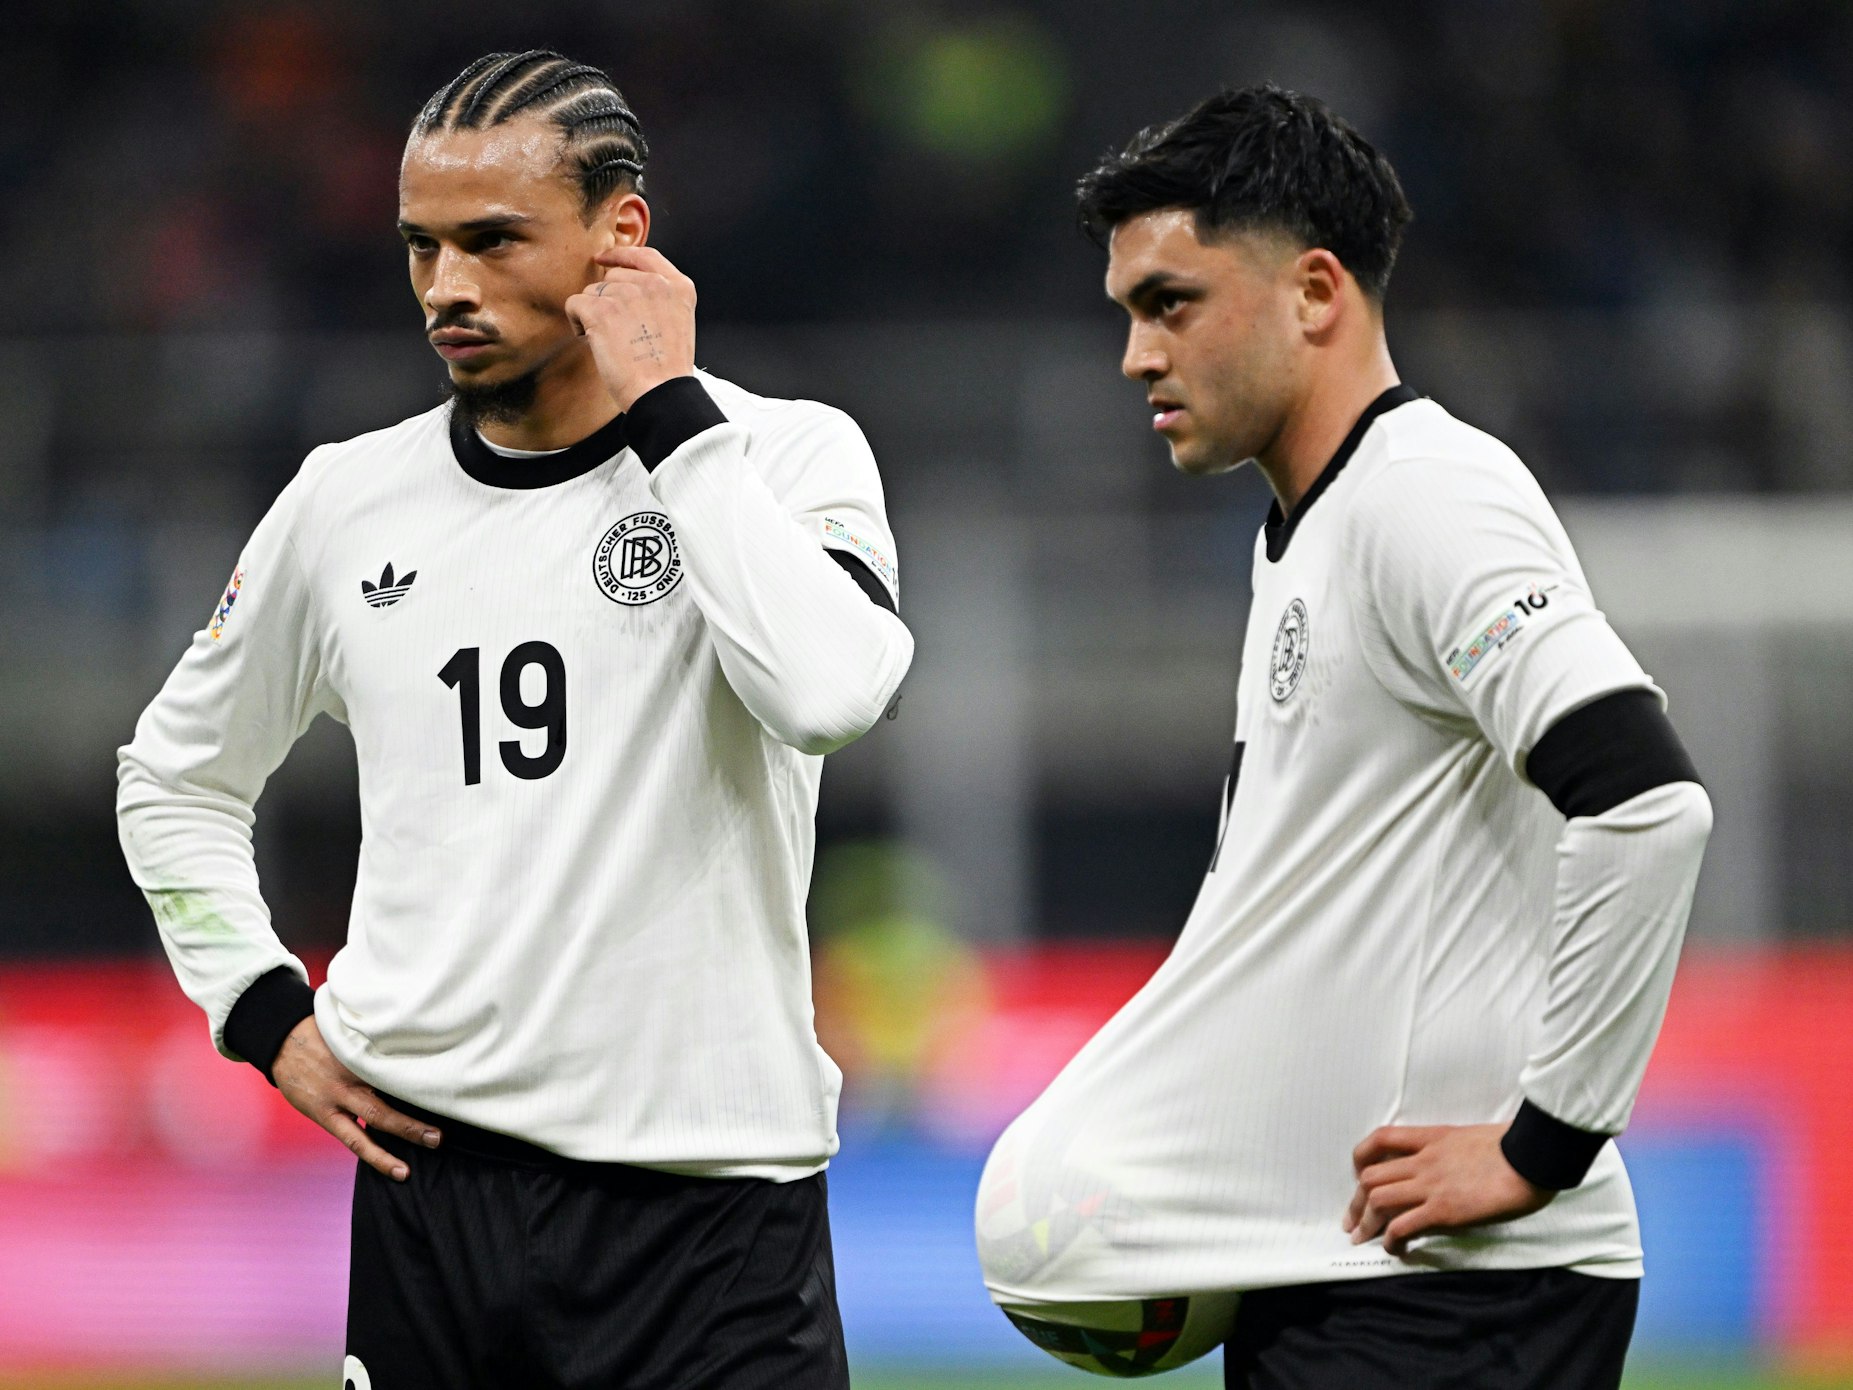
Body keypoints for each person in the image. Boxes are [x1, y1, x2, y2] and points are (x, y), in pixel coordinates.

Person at [116, 50, 911, 1390]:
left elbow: (829, 695)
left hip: (713, 1213)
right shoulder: (345, 501)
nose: (445, 286)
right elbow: (174, 779)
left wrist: (673, 419)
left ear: (620, 237)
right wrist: (261, 1010)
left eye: (491, 241)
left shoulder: (782, 455)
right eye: (421, 245)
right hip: (434, 1199)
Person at [975, 86, 1712, 1389]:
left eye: (1171, 303)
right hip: (1354, 1277)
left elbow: (1646, 801)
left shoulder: (1426, 495)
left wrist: (1541, 1145)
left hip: (1451, 1294)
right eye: (1128, 313)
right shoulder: (1308, 531)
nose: (1137, 356)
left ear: (1315, 292)